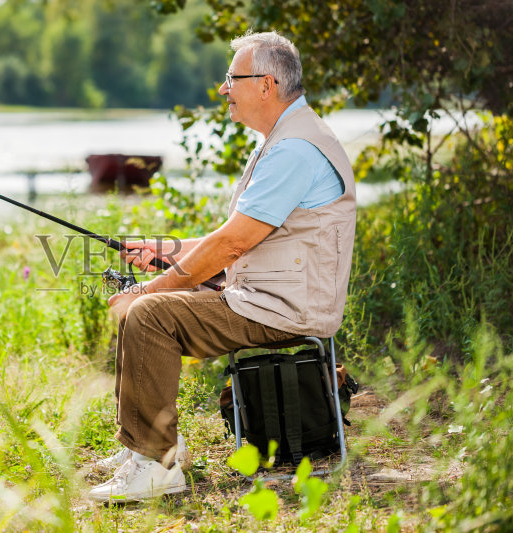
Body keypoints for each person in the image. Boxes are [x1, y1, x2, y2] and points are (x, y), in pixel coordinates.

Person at [86, 30, 356, 503]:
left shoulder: (293, 148)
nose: (223, 89)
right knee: (139, 310)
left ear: (266, 85)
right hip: (265, 296)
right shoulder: (286, 136)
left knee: (148, 313)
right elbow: (244, 234)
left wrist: (152, 289)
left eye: (232, 78)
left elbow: (233, 243)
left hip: (285, 308)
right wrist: (164, 249)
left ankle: (157, 467)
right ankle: (148, 448)